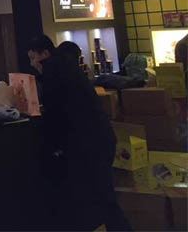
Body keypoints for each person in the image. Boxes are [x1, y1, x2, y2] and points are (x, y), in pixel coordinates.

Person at [27, 36, 129, 231]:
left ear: (45, 53)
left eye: (33, 58)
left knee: (96, 200)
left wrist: (52, 145)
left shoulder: (53, 73)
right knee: (103, 197)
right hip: (100, 140)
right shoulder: (68, 69)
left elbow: (56, 114)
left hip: (86, 146)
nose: (32, 64)